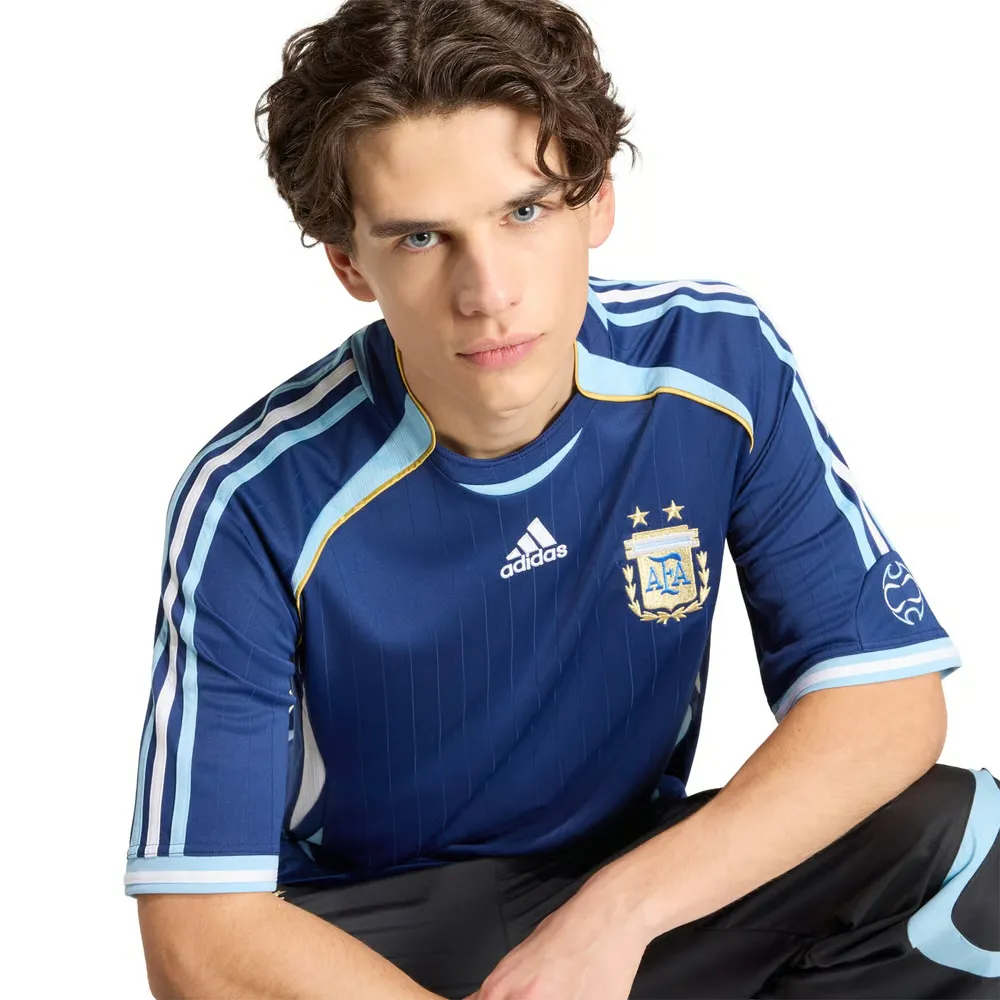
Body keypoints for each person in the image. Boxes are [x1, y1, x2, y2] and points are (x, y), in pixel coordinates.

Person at [124, 1, 999, 997]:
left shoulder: (715, 365)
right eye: (421, 237)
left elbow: (883, 704)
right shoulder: (253, 496)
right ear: (349, 262)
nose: (488, 292)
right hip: (383, 937)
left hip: (622, 893)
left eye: (524, 212)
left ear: (596, 202)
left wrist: (616, 916)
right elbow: (200, 936)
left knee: (965, 845)